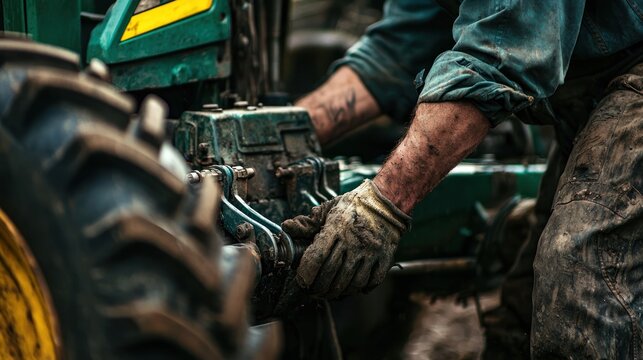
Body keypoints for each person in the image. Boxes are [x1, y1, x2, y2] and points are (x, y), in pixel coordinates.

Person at [281, 0, 643, 358]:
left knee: (583, 281)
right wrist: (278, 135)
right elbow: (402, 45)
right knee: (523, 317)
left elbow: (502, 51)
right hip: (590, 98)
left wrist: (381, 205)